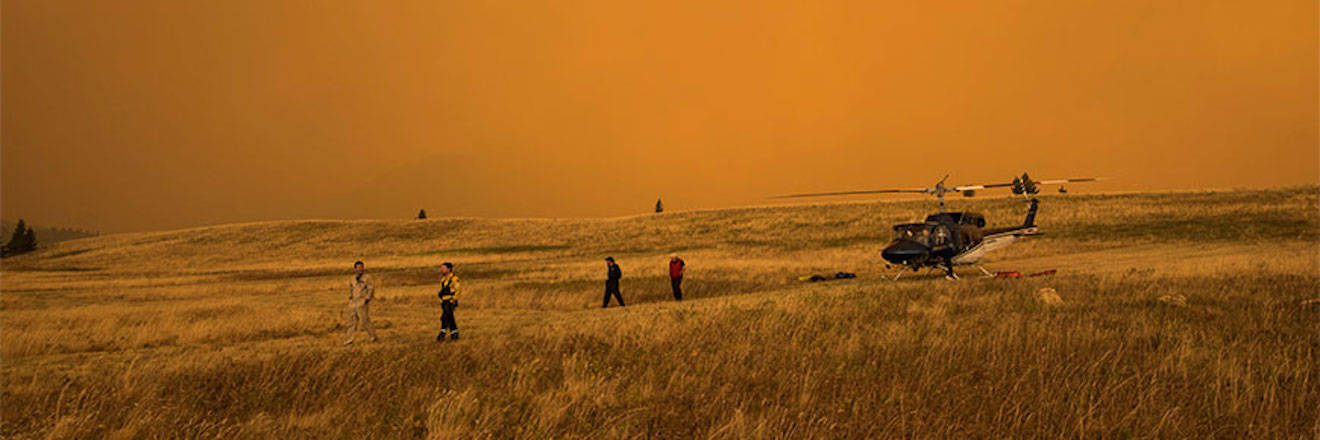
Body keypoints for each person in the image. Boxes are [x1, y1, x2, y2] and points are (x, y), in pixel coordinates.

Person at [344, 261, 379, 345]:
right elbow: (351, 288)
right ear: (355, 269)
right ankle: (349, 338)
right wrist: (350, 296)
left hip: (362, 301)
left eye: (361, 268)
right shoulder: (352, 278)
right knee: (352, 321)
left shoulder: (367, 278)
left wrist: (367, 298)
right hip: (353, 302)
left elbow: (371, 288)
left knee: (364, 321)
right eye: (358, 268)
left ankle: (373, 336)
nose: (360, 269)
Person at [437, 262, 461, 341]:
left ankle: (442, 333)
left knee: (444, 318)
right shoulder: (443, 279)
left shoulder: (454, 279)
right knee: (450, 318)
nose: (442, 270)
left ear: (449, 269)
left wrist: (454, 300)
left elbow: (458, 290)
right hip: (444, 301)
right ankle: (454, 333)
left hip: (450, 301)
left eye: (443, 268)